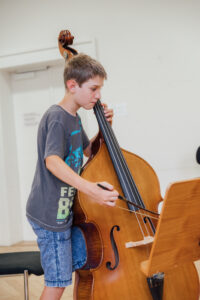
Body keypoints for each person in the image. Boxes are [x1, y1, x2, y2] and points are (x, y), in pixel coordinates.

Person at [26, 53, 119, 300]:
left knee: (74, 265)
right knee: (57, 283)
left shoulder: (75, 118)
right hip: (49, 216)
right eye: (93, 88)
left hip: (64, 211)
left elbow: (91, 153)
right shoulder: (57, 117)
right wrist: (92, 189)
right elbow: (52, 161)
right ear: (72, 85)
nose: (98, 95)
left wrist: (104, 128)